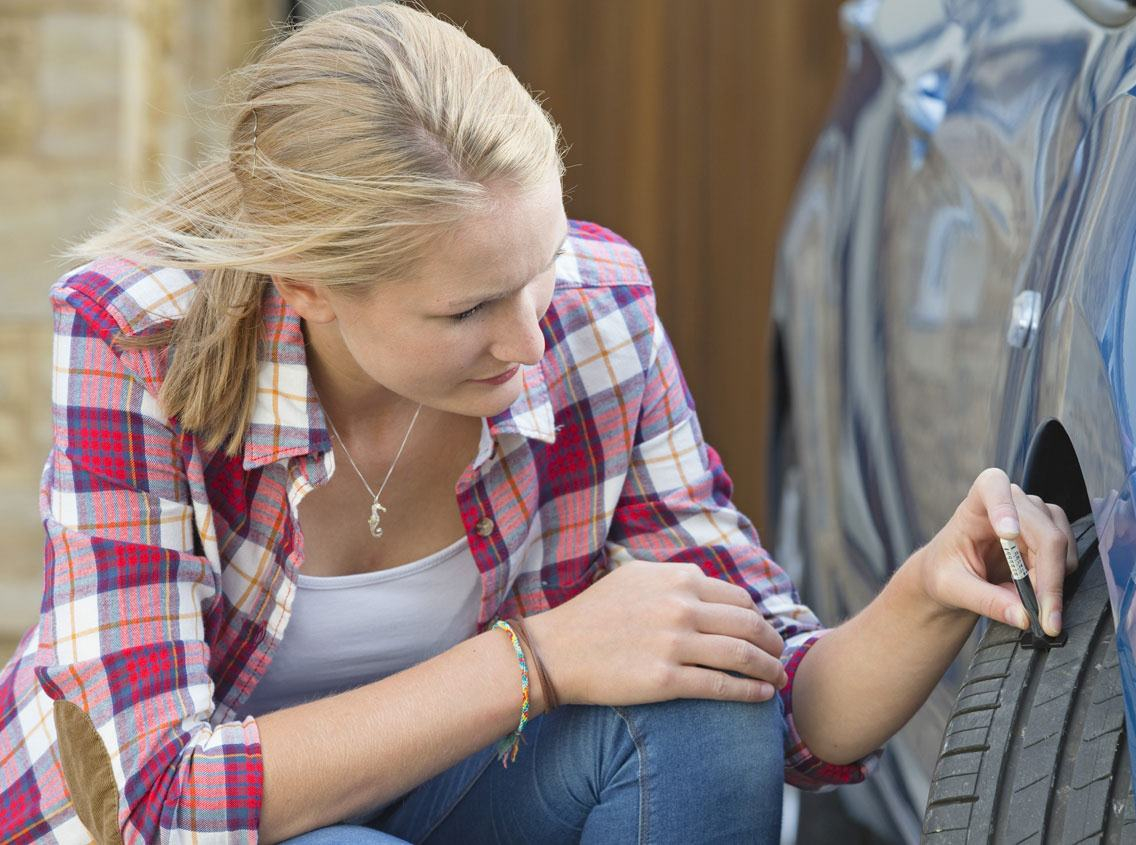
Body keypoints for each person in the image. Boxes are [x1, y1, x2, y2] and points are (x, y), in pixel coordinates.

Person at [0, 4, 1075, 843]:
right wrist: (540, 658)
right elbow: (158, 800)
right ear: (311, 288)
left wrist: (931, 587)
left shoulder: (591, 311)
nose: (528, 340)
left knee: (704, 711)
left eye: (539, 266)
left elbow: (781, 697)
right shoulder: (142, 343)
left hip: (470, 798)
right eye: (467, 309)